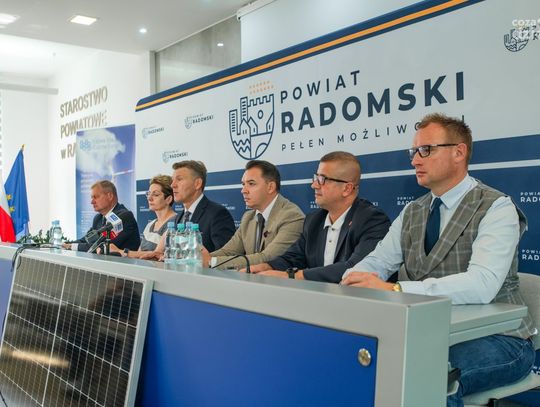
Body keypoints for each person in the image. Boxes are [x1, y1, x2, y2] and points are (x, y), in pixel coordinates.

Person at [341, 113, 536, 407]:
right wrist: (354, 278)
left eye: (426, 150)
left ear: (459, 152)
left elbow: (482, 284)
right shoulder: (412, 211)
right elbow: (378, 261)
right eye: (413, 152)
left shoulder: (496, 207)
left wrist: (396, 289)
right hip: (431, 332)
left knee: (428, 373)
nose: (415, 160)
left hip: (501, 337)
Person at [249, 151, 390, 283]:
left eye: (322, 179)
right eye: (316, 178)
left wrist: (294, 276)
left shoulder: (372, 220)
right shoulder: (314, 220)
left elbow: (355, 268)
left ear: (347, 188)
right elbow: (293, 258)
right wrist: (266, 267)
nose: (314, 185)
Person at [203, 160, 304, 269]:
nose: (243, 190)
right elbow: (228, 252)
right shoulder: (248, 217)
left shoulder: (292, 216)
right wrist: (197, 259)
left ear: (270, 187)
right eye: (243, 184)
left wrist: (211, 262)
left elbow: (268, 258)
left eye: (251, 184)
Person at [142, 160, 235, 259]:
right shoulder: (178, 218)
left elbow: (225, 257)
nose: (173, 185)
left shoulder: (217, 214)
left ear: (197, 184)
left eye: (179, 179)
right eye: (173, 180)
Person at [108, 175, 176, 258]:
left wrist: (120, 252)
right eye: (148, 194)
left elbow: (156, 255)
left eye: (156, 194)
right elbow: (139, 254)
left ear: (168, 199)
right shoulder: (150, 225)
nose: (149, 198)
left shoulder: (175, 223)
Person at [64, 180, 140, 252]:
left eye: (95, 197)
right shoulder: (98, 218)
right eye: (92, 198)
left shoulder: (124, 217)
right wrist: (64, 244)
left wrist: (72, 246)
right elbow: (86, 239)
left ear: (110, 196)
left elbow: (103, 246)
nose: (92, 202)